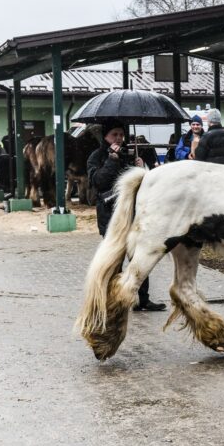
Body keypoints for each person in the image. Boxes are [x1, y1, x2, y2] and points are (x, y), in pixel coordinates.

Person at [87, 119, 166, 312]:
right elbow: (98, 182)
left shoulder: (131, 154)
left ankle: (142, 299)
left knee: (139, 257)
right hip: (110, 217)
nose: (119, 138)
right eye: (114, 134)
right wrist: (111, 160)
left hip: (134, 214)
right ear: (105, 136)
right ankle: (114, 299)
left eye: (121, 135)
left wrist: (142, 167)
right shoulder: (97, 156)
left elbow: (144, 186)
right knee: (115, 260)